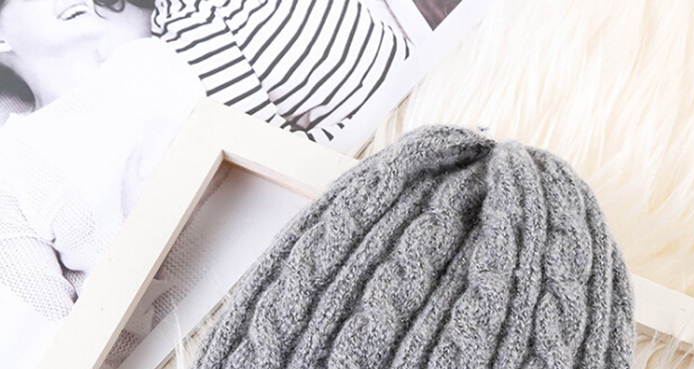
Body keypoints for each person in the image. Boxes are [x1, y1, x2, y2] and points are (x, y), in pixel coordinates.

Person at [0, 0, 410, 320]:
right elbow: (61, 344)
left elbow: (398, 114)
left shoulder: (195, 27)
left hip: (335, 260)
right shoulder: (18, 165)